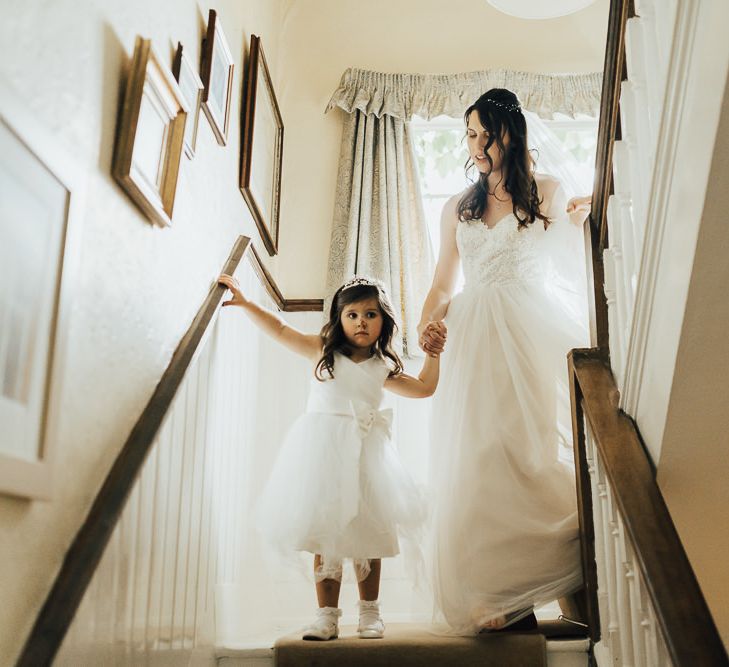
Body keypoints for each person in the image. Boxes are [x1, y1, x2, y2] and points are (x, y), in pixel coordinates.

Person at [417, 88, 592, 634]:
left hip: (528, 332)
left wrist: (582, 217)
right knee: (482, 457)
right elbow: (444, 281)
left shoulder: (545, 191)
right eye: (468, 134)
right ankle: (497, 593)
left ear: (507, 133)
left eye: (480, 133)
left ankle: (562, 576)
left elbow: (572, 248)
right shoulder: (458, 206)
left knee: (533, 453)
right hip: (474, 337)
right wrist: (429, 322)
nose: (472, 144)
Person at [218, 273, 443, 641]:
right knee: (327, 534)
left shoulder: (383, 366)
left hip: (369, 455)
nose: (361, 323)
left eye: (370, 315)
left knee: (368, 531)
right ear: (339, 319)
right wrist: (246, 304)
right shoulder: (323, 353)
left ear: (383, 320)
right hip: (324, 452)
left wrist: (433, 355)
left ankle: (370, 612)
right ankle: (326, 615)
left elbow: (424, 388)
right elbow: (278, 329)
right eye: (352, 315)